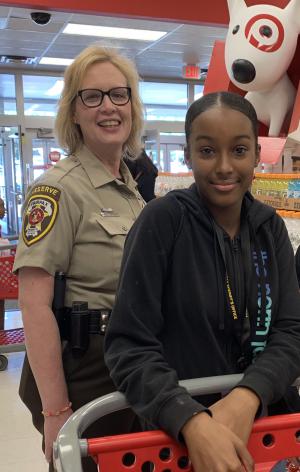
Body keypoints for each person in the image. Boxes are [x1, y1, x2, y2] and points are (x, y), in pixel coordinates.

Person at [105, 91, 300, 472]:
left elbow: (290, 332)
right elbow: (129, 346)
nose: (225, 166)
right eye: (208, 151)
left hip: (265, 436)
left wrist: (248, 396)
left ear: (258, 154)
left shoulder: (270, 229)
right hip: (176, 446)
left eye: (239, 150)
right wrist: (189, 420)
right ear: (188, 154)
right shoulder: (161, 224)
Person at [13, 45, 144, 471]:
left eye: (118, 95)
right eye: (93, 96)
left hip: (131, 360)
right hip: (84, 366)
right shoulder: (58, 190)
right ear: (74, 111)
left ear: (132, 105)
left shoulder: (130, 190)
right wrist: (56, 412)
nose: (108, 107)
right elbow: (33, 305)